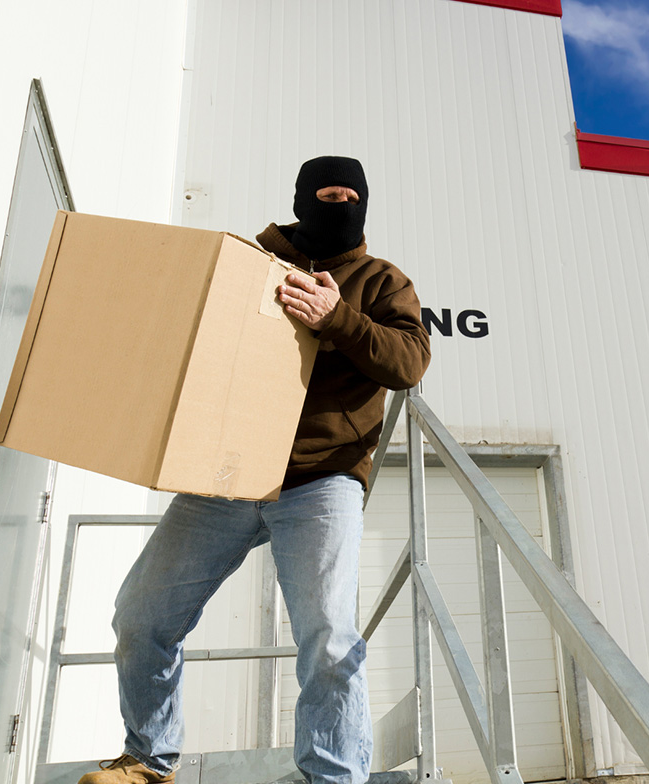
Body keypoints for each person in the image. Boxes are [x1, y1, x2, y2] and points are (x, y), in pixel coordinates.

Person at [81, 156, 431, 784]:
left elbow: (408, 363)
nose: (340, 204)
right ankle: (147, 760)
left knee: (327, 637)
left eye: (352, 196)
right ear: (301, 199)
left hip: (322, 479)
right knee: (141, 615)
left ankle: (331, 777)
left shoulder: (382, 280)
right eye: (327, 195)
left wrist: (338, 320)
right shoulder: (247, 262)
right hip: (228, 471)